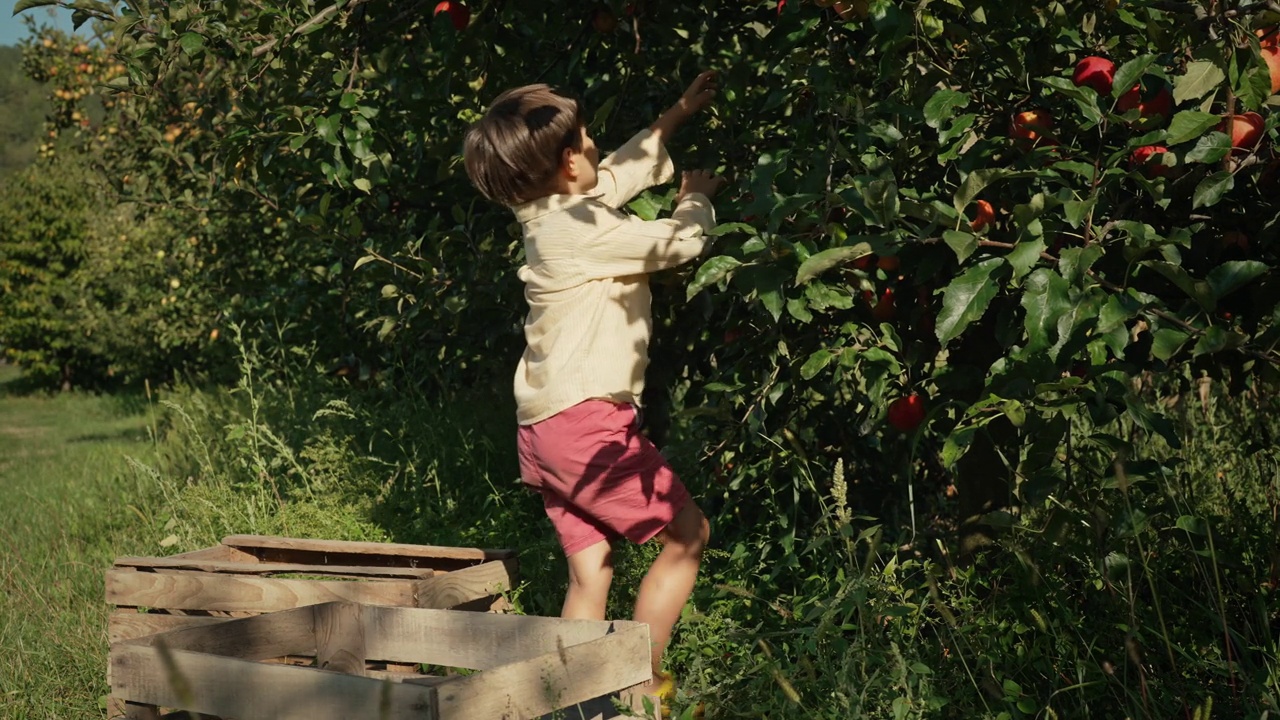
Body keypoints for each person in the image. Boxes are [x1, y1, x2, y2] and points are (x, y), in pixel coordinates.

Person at [463, 72, 725, 705]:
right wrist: (695, 197)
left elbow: (613, 179)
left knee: (590, 572)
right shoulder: (577, 232)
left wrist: (673, 117)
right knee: (689, 533)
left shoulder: (551, 212)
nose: (594, 148)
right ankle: (640, 689)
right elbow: (681, 244)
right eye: (584, 140)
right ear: (565, 162)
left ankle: (574, 703)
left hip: (545, 431)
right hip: (586, 429)